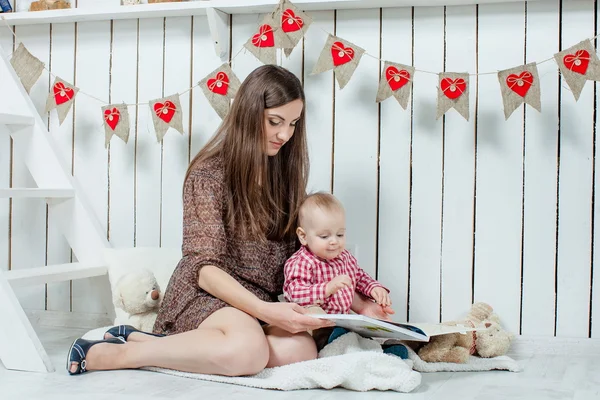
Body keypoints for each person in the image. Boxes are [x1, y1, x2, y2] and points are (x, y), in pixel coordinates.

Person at [66, 64, 390, 377]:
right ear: (249, 116)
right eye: (275, 121)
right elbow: (203, 270)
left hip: (255, 307)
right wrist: (264, 311)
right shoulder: (208, 174)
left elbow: (307, 257)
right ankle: (124, 353)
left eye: (293, 124)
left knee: (299, 352)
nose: (284, 134)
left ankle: (160, 343)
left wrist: (361, 305)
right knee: (247, 352)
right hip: (207, 297)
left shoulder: (284, 178)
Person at [283, 192, 392, 314]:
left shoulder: (345, 257)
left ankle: (343, 330)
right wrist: (327, 288)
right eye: (324, 236)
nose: (334, 241)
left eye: (340, 234)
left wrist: (373, 287)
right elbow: (294, 293)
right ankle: (320, 332)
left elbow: (359, 276)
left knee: (357, 324)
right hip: (311, 320)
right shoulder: (301, 262)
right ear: (303, 236)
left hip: (341, 318)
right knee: (313, 312)